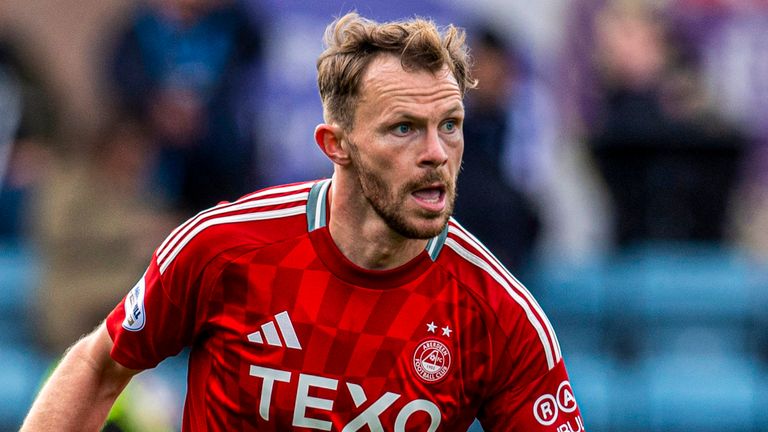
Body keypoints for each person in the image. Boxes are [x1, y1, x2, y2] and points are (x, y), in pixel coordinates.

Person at [22, 12, 584, 431]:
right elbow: (98, 366)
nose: (437, 152)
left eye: (451, 124)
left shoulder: (500, 315)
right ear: (336, 145)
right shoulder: (225, 248)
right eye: (404, 128)